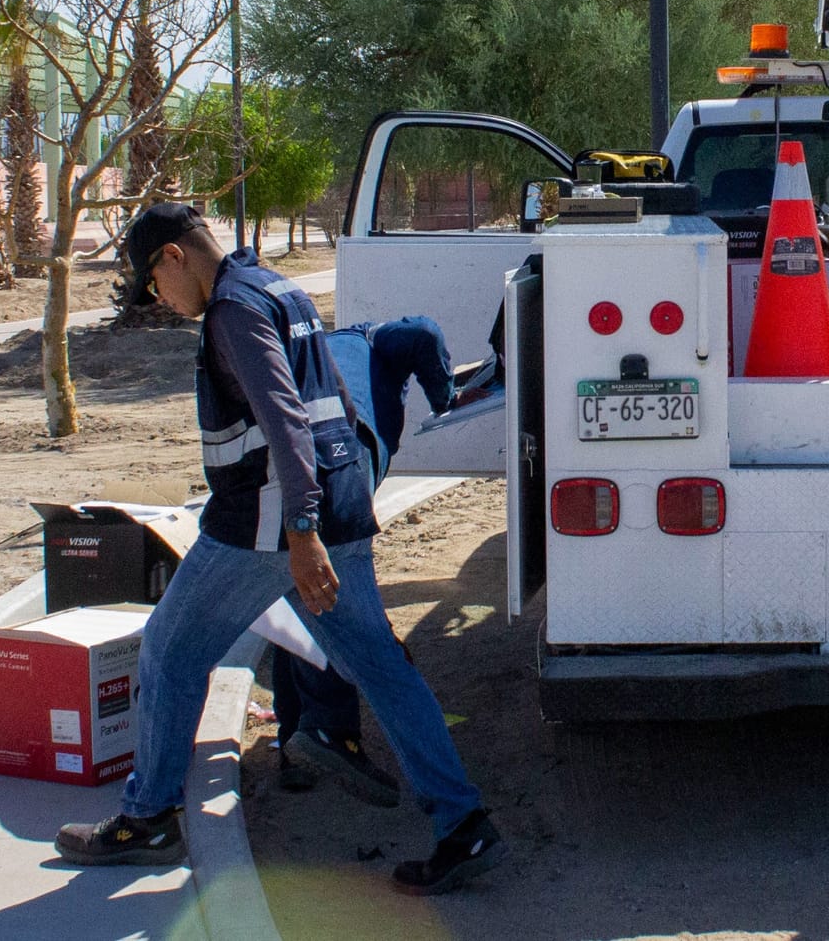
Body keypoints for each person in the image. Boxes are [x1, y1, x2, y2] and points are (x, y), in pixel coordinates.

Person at [55, 205, 506, 897]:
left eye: (153, 284)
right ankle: (463, 822)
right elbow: (331, 405)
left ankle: (147, 819)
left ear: (174, 256)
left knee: (170, 653)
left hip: (266, 528)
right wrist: (326, 520)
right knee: (381, 668)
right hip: (339, 509)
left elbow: (285, 420)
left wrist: (300, 534)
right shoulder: (277, 287)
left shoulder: (231, 312)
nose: (160, 302)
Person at [272, 314, 457, 806]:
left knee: (297, 596)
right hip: (342, 464)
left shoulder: (308, 353)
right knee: (336, 602)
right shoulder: (371, 338)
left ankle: (293, 746)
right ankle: (331, 729)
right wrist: (447, 398)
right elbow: (424, 333)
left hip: (286, 473)